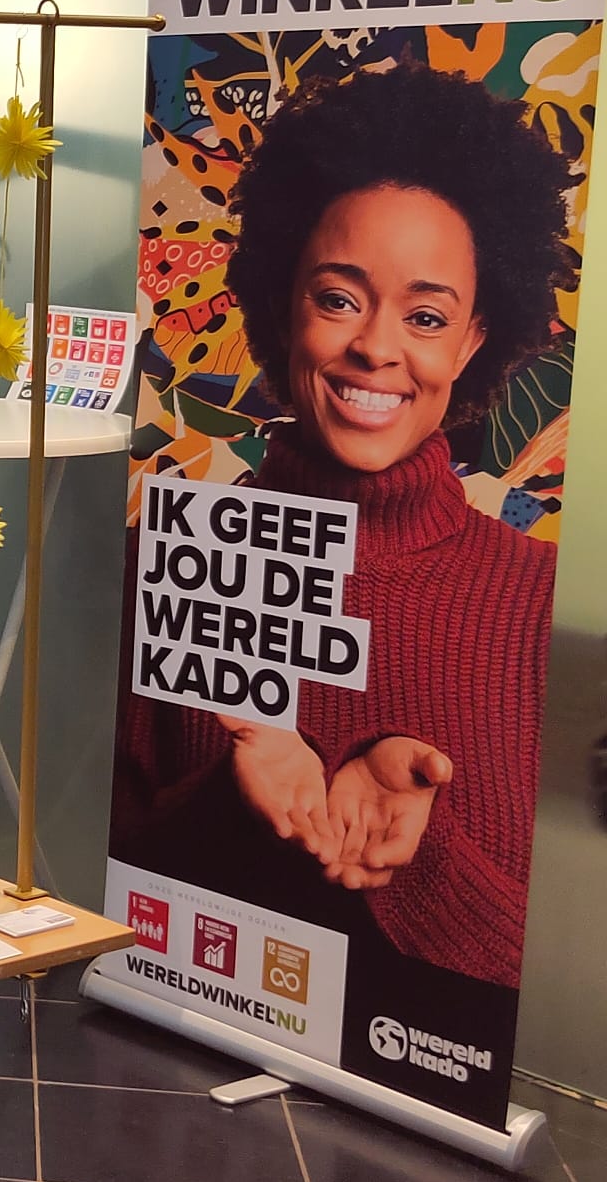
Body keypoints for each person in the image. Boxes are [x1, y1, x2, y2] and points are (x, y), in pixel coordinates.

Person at [114, 65, 578, 990]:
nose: (375, 346)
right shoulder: (170, 562)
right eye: (338, 298)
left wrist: (420, 852)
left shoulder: (542, 608)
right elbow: (89, 907)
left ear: (472, 341)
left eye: (426, 316)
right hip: (166, 1055)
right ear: (284, 304)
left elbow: (563, 1001)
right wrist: (237, 803)